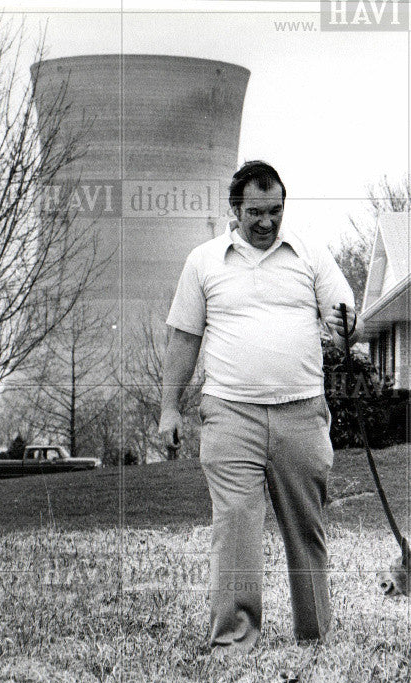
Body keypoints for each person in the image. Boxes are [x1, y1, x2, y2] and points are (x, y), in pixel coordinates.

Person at [159, 160, 361, 656]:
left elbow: (344, 319)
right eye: (255, 212)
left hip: (302, 413)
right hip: (230, 415)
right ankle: (234, 639)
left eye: (275, 211)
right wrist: (169, 408)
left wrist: (345, 327)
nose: (266, 222)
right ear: (235, 209)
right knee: (234, 528)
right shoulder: (204, 261)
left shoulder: (310, 254)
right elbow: (184, 338)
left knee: (306, 526)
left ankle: (314, 636)